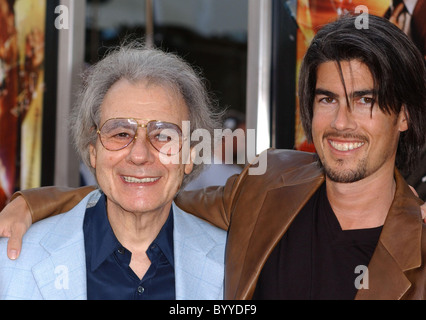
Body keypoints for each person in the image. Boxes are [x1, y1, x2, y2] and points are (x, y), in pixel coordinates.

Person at [1, 14, 426, 300]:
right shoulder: (268, 188)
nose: (342, 121)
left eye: (365, 99)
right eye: (328, 98)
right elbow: (151, 197)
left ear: (404, 115)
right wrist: (33, 203)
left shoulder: (419, 244)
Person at [0, 43, 227, 299]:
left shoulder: (235, 265)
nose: (139, 155)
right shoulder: (12, 263)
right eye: (121, 133)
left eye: (163, 135)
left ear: (189, 156)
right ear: (93, 150)